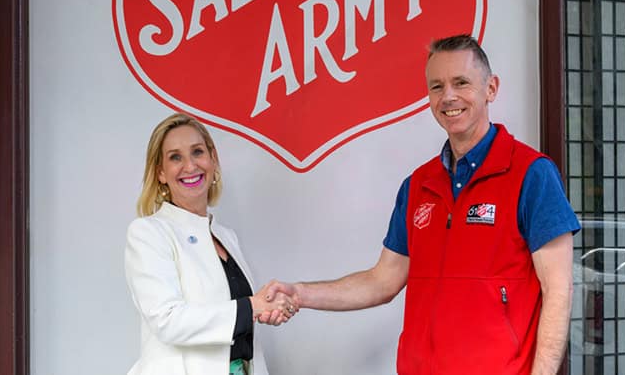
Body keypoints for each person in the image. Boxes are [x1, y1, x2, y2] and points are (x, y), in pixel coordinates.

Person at [266, 35, 581, 375]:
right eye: (437, 86)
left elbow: (558, 290)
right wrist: (300, 294)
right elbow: (382, 281)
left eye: (461, 83)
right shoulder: (418, 185)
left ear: (491, 88)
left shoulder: (531, 174)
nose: (448, 96)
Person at [125, 113, 297, 375]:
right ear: (160, 172)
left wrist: (266, 309)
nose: (190, 166)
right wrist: (252, 306)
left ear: (213, 159)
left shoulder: (226, 236)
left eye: (197, 152)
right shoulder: (148, 233)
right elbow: (167, 320)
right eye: (175, 157)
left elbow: (233, 315)